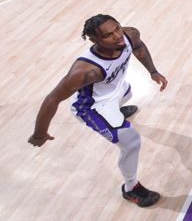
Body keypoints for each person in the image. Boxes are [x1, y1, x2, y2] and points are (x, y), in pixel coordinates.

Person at [28, 14, 168, 207]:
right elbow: (52, 99)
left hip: (115, 91)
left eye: (117, 28)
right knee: (131, 141)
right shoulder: (84, 71)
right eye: (108, 35)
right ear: (94, 40)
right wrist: (39, 134)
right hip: (92, 106)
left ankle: (116, 115)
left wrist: (153, 71)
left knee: (128, 91)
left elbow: (138, 47)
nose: (118, 36)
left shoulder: (129, 35)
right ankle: (131, 189)